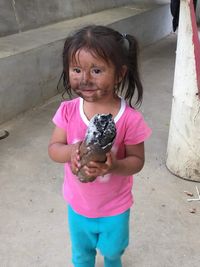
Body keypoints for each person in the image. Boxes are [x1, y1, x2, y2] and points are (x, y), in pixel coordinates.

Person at [48, 25, 151, 267]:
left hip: (115, 207)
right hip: (78, 204)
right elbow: (54, 148)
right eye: (76, 69)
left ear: (120, 73)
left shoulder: (130, 119)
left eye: (96, 70)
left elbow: (137, 161)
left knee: (113, 251)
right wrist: (71, 151)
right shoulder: (68, 111)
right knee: (82, 255)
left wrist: (113, 166)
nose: (84, 79)